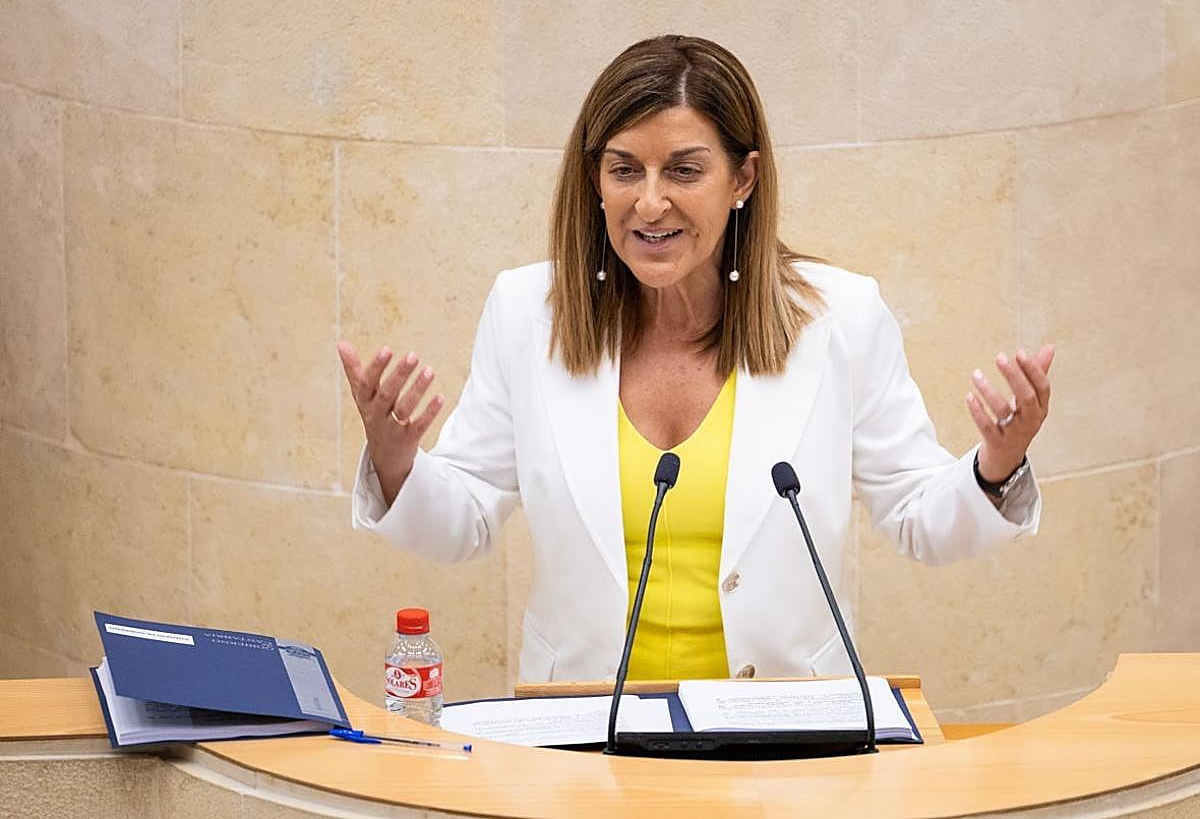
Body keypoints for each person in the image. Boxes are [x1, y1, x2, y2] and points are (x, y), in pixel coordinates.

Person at [337, 35, 1053, 685]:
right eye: (625, 170)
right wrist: (398, 463)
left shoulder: (841, 317)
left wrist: (997, 466)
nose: (650, 203)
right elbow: (464, 520)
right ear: (595, 179)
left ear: (743, 178)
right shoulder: (527, 312)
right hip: (585, 729)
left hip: (782, 735)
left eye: (683, 170)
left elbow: (918, 515)